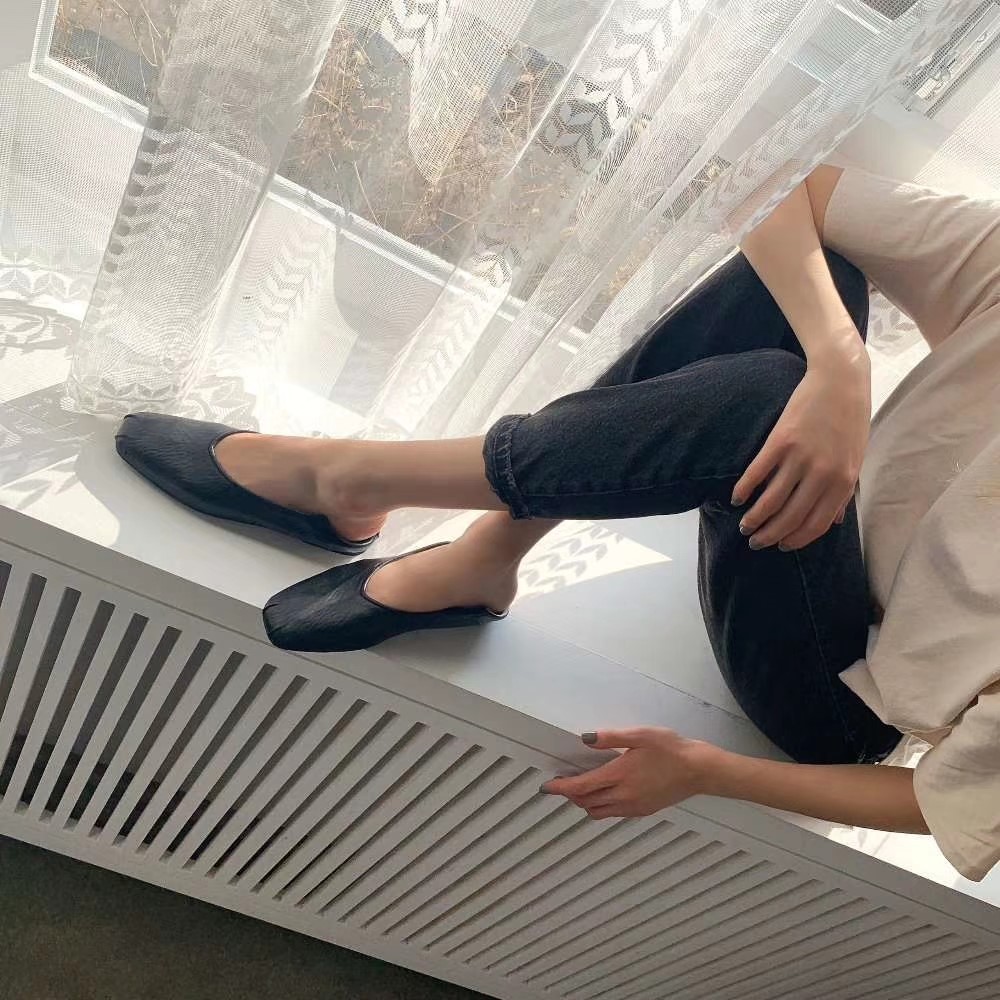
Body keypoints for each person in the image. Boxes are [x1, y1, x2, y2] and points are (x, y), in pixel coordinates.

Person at [116, 165, 1000, 883]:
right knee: (801, 290)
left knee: (766, 398)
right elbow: (785, 184)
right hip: (814, 519)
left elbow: (941, 801)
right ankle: (484, 551)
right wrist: (842, 363)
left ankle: (348, 480)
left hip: (841, 698)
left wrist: (705, 772)